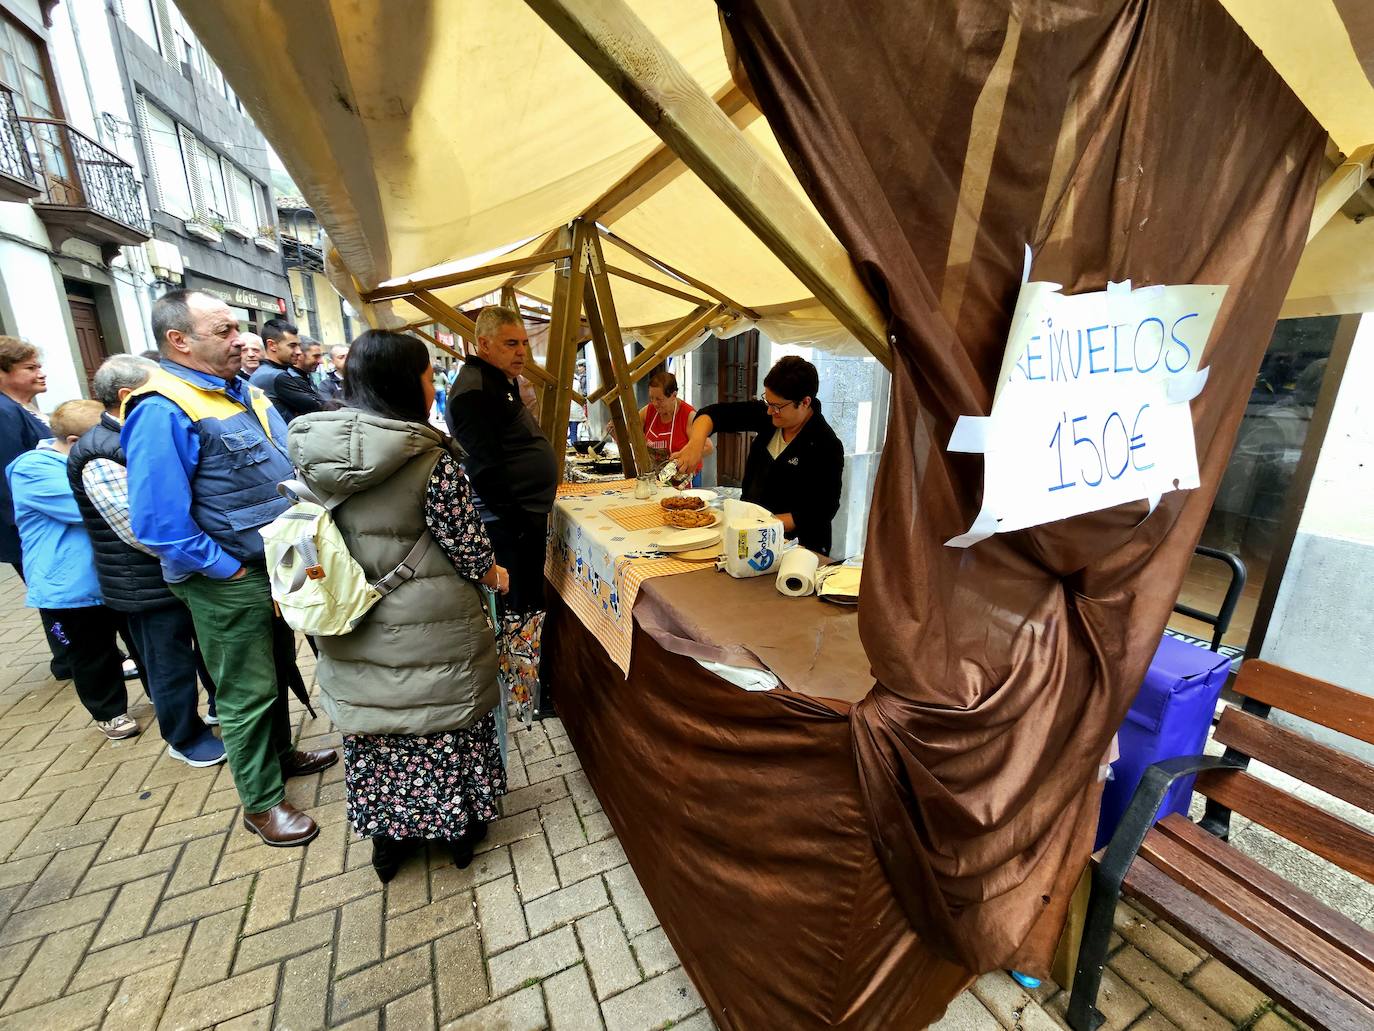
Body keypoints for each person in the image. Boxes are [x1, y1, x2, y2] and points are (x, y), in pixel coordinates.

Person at [291, 329, 508, 881]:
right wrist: (495, 573)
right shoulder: (427, 457)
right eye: (429, 374)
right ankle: (456, 831)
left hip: (353, 616)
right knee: (439, 721)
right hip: (428, 623)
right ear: (406, 382)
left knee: (378, 728)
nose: (434, 384)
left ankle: (389, 844)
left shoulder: (315, 449)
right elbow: (467, 545)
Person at [122, 289, 337, 847]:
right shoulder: (161, 408)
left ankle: (281, 756)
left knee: (276, 667)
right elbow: (158, 524)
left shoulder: (239, 391)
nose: (241, 338)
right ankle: (261, 803)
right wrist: (229, 573)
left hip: (275, 563)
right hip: (228, 576)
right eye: (223, 331)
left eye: (236, 327)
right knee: (246, 689)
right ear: (179, 341)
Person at [69, 354, 224, 767]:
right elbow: (142, 532)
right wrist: (202, 555)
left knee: (205, 652)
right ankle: (184, 737)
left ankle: (216, 711)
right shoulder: (98, 452)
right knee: (168, 665)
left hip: (181, 569)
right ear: (128, 396)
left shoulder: (140, 435)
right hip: (147, 584)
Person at [446, 305, 558, 718]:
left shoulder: (498, 382)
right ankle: (526, 696)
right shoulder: (476, 390)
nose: (522, 352)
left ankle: (531, 685)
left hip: (522, 514)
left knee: (528, 602)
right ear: (484, 344)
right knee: (520, 606)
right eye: (511, 343)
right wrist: (518, 523)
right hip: (511, 521)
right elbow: (485, 469)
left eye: (525, 342)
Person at [7, 400, 139, 740]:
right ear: (73, 441)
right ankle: (109, 712)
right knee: (90, 654)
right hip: (69, 588)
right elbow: (90, 508)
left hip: (110, 574)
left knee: (139, 644)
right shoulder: (32, 469)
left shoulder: (85, 461)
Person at [672, 356, 844, 555]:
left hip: (796, 548)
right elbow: (714, 414)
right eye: (767, 402)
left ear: (805, 402)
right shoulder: (771, 416)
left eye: (777, 406)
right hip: (749, 537)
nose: (770, 411)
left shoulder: (826, 445)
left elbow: (820, 512)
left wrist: (761, 523)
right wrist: (695, 444)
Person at [1, 336, 73, 679]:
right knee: (52, 590)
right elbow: (11, 477)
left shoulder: (24, 407)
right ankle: (69, 655)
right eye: (30, 368)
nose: (41, 373)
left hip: (47, 520)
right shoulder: (3, 413)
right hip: (30, 527)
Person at [639, 370, 711, 484]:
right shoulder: (648, 411)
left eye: (659, 399)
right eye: (651, 398)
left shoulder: (688, 415)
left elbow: (708, 447)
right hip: (656, 481)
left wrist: (684, 455)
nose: (654, 403)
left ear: (673, 395)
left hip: (683, 481)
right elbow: (631, 434)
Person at [250, 318, 326, 423]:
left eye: (298, 346)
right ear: (272, 345)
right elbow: (317, 407)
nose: (299, 351)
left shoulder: (265, 372)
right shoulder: (276, 376)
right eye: (292, 346)